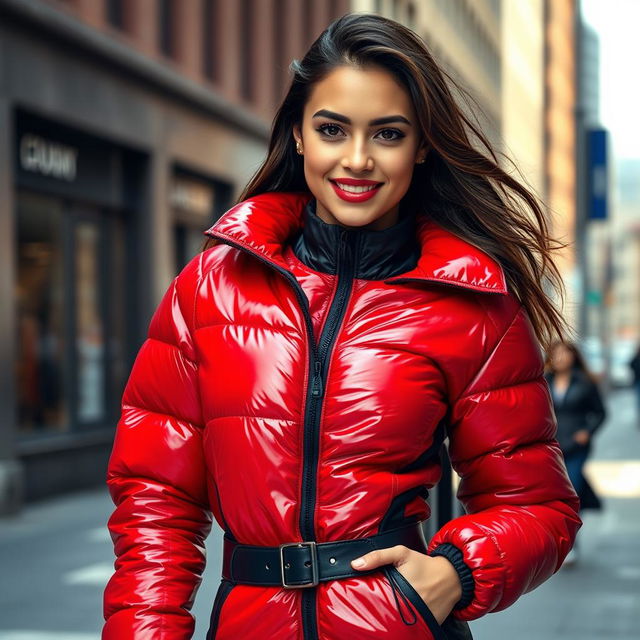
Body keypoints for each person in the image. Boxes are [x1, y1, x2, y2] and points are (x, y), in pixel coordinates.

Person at [102, 13, 581, 640]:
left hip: (396, 624)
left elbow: (537, 504)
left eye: (388, 133)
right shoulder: (211, 286)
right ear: (300, 135)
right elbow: (155, 501)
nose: (357, 160)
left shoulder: (471, 304)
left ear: (422, 147)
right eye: (333, 129)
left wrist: (456, 572)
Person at [544, 340, 607, 566]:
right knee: (556, 493)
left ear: (573, 356)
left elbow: (600, 413)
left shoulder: (585, 382)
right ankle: (563, 539)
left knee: (573, 489)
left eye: (565, 353)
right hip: (552, 446)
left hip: (577, 446)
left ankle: (570, 544)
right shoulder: (544, 382)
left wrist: (587, 432)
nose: (561, 357)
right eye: (556, 353)